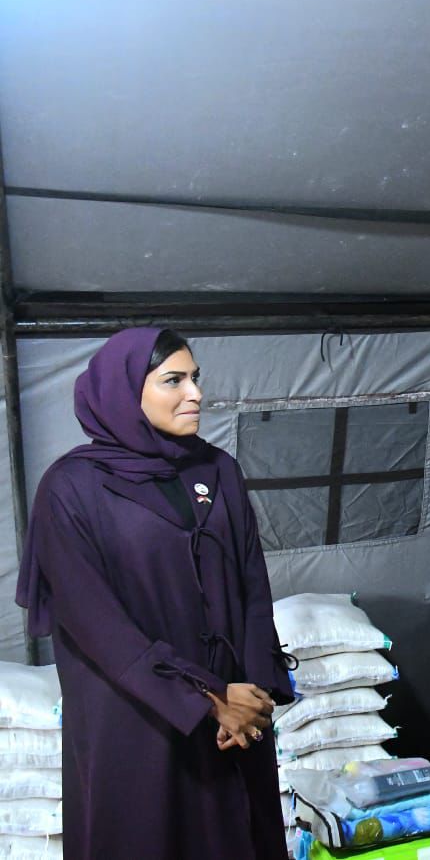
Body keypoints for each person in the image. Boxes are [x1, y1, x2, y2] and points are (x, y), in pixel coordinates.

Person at [15, 327, 295, 860]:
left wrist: (252, 694)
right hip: (136, 718)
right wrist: (208, 699)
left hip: (234, 716)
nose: (196, 394)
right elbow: (99, 628)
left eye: (195, 378)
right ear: (124, 392)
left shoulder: (218, 470)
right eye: (174, 380)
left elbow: (253, 589)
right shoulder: (71, 489)